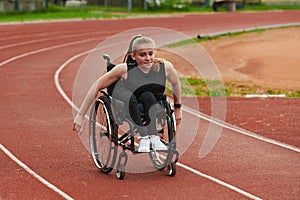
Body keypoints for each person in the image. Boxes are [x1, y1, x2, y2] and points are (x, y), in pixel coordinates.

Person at [73, 35, 182, 152]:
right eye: (142, 55)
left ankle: (154, 138)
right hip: (129, 98)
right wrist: (80, 115)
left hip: (148, 99)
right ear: (133, 56)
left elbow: (175, 84)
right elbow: (97, 86)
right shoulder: (124, 69)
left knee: (149, 96)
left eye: (151, 53)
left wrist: (177, 107)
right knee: (131, 98)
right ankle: (144, 137)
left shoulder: (165, 67)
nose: (148, 58)